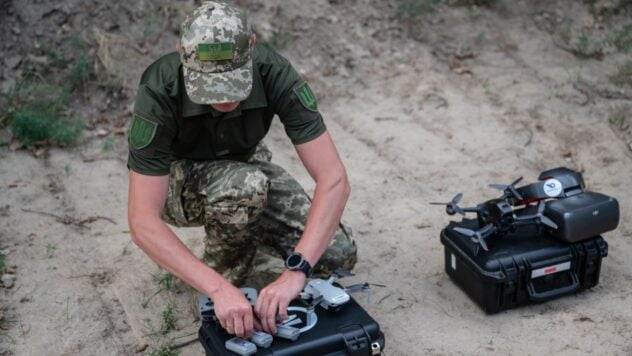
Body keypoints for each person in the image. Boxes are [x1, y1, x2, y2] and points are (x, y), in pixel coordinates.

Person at [127, 1, 357, 339]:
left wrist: (296, 271)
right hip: (181, 178)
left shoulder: (272, 71)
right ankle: (224, 275)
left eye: (233, 82)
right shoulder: (160, 88)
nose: (224, 98)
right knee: (244, 188)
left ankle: (249, 229)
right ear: (181, 54)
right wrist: (218, 289)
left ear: (251, 45)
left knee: (336, 255)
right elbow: (142, 221)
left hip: (247, 166)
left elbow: (334, 179)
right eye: (210, 86)